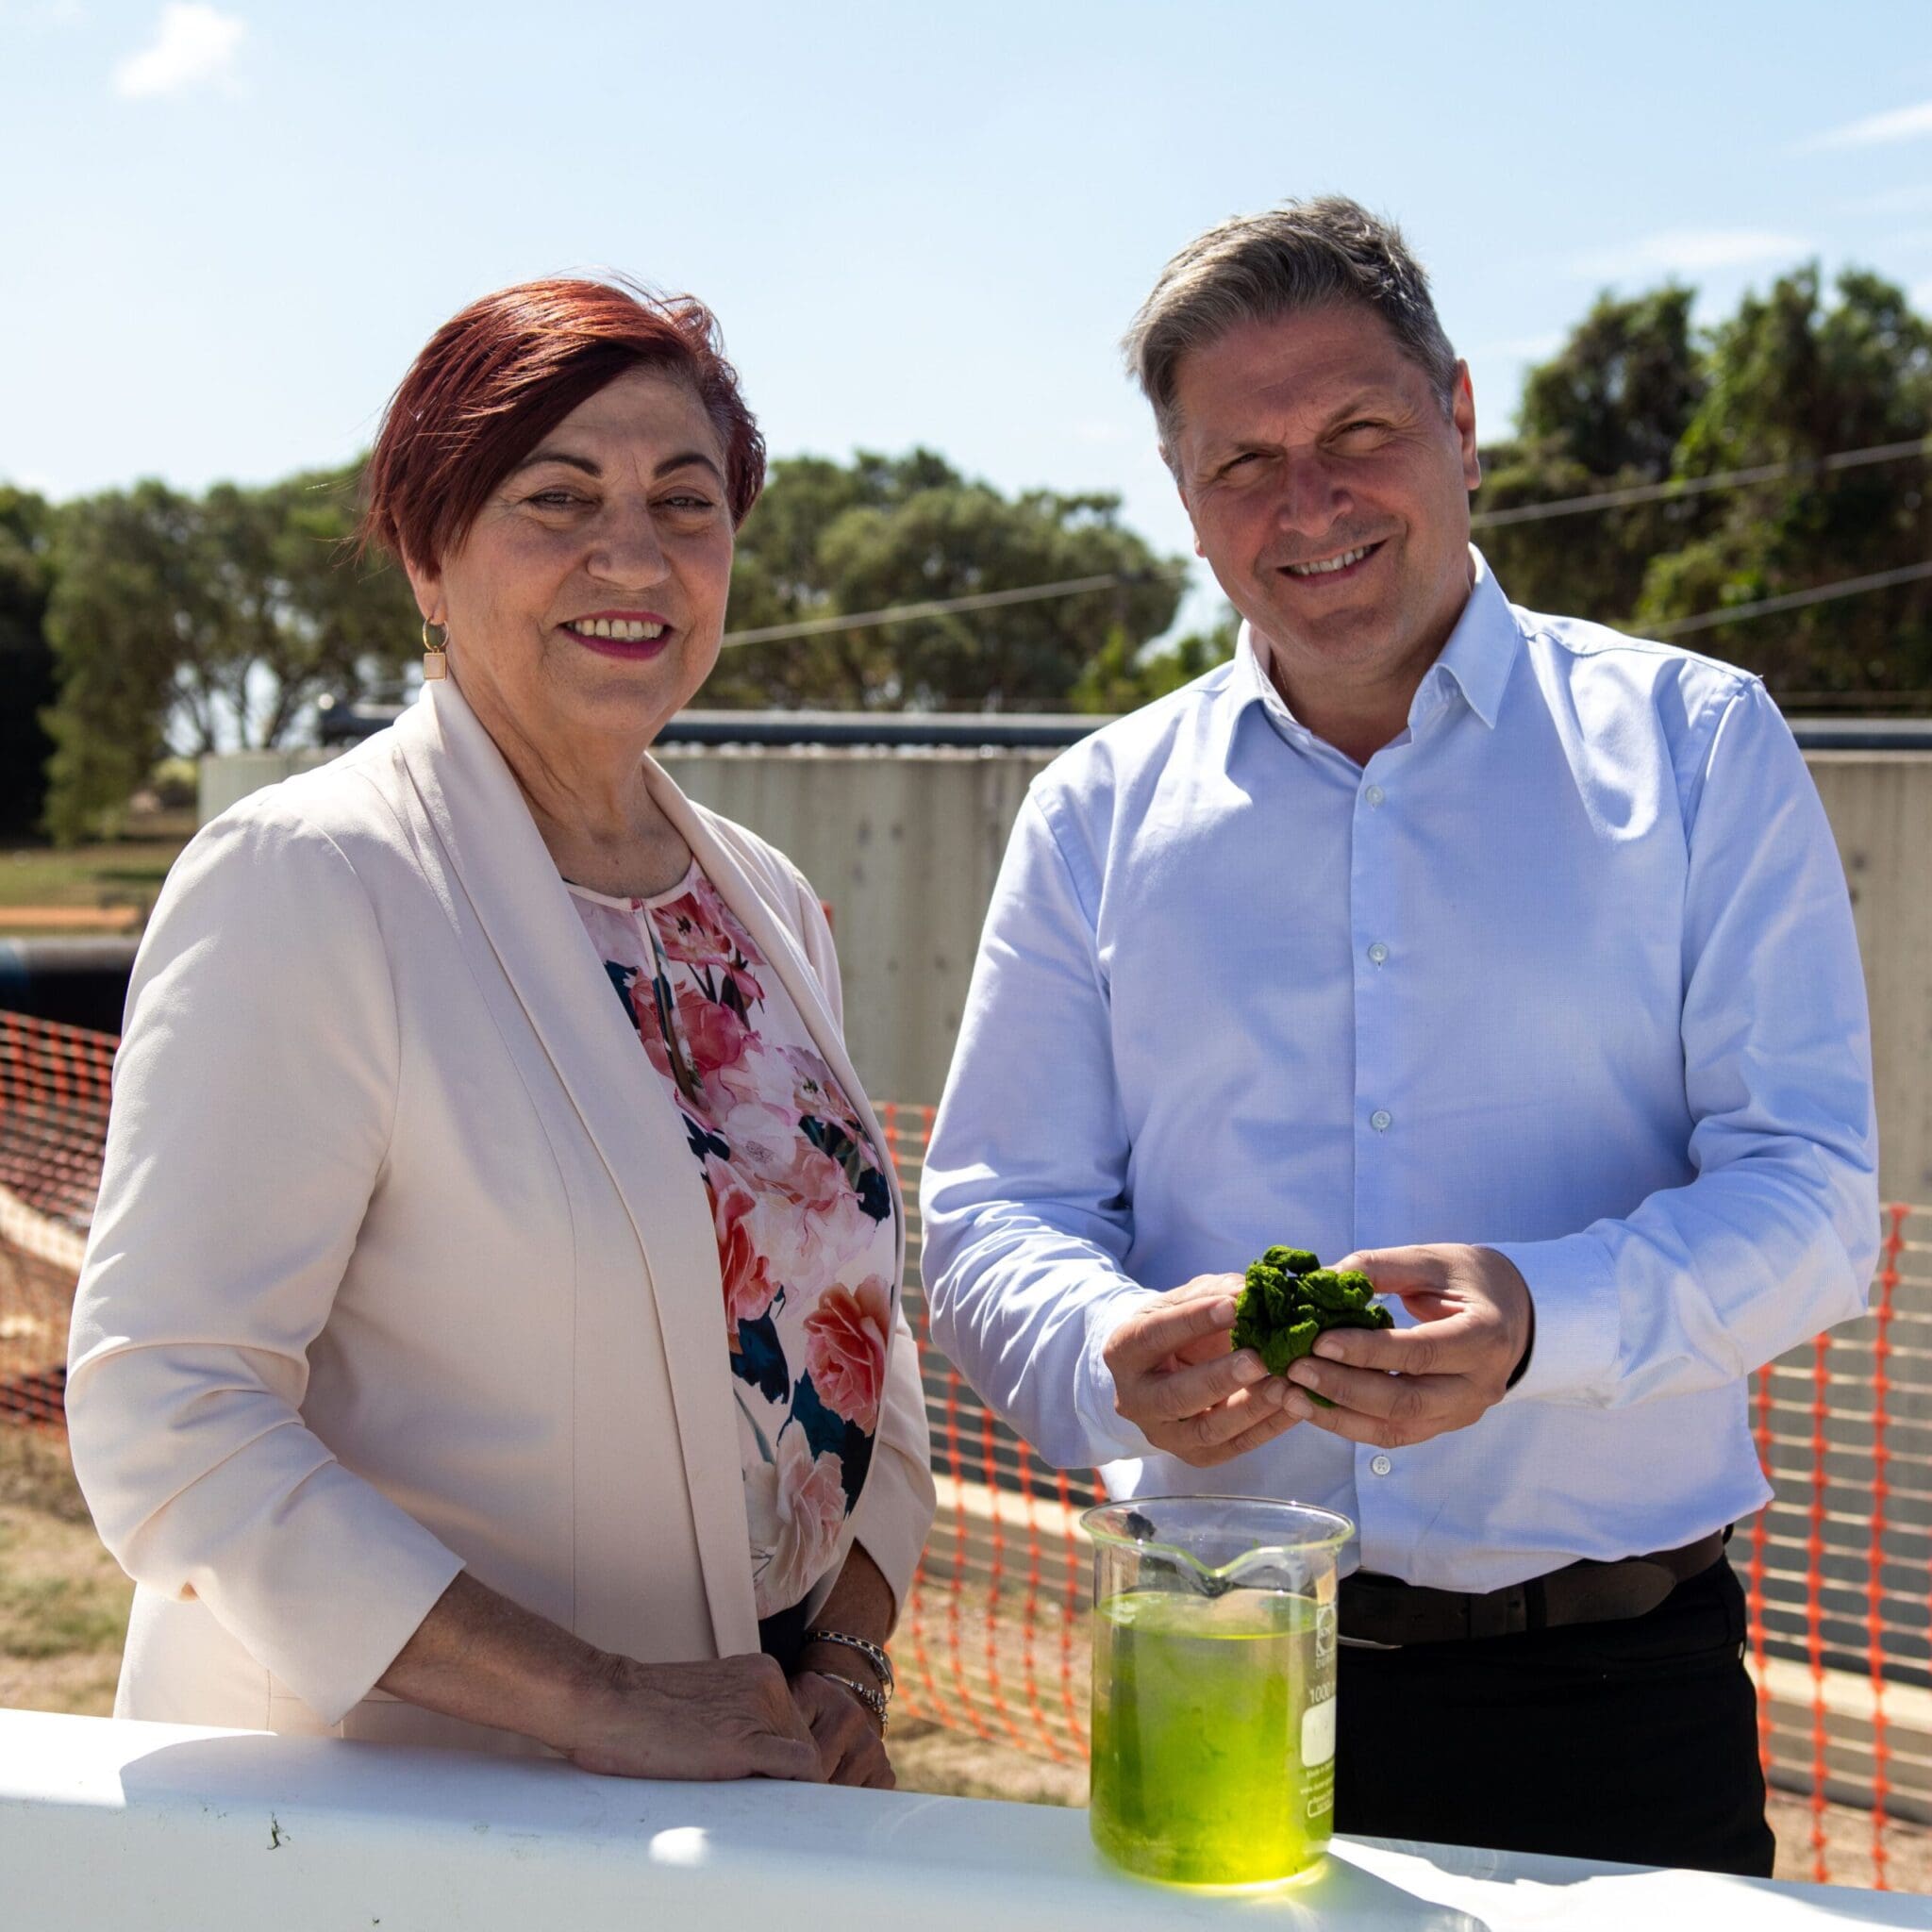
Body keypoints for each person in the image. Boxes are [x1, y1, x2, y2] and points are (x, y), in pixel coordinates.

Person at [921, 198, 1877, 1872]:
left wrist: (1538, 1322)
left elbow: (1812, 1203)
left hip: (1616, 1700)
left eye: (1358, 430)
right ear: (1188, 505)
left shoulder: (1698, 746)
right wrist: (1104, 1354)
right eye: (1244, 462)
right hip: (1211, 1661)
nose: (1309, 502)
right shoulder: (1093, 813)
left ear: (1460, 422)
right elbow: (994, 1209)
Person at [67, 277, 934, 1789]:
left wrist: (842, 1656)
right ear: (427, 551)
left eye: (687, 500)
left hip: (749, 1779)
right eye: (557, 496)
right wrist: (606, 1699)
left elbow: (844, 1315)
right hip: (390, 1811)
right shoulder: (316, 880)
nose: (634, 554)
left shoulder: (769, 906)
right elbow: (170, 1410)